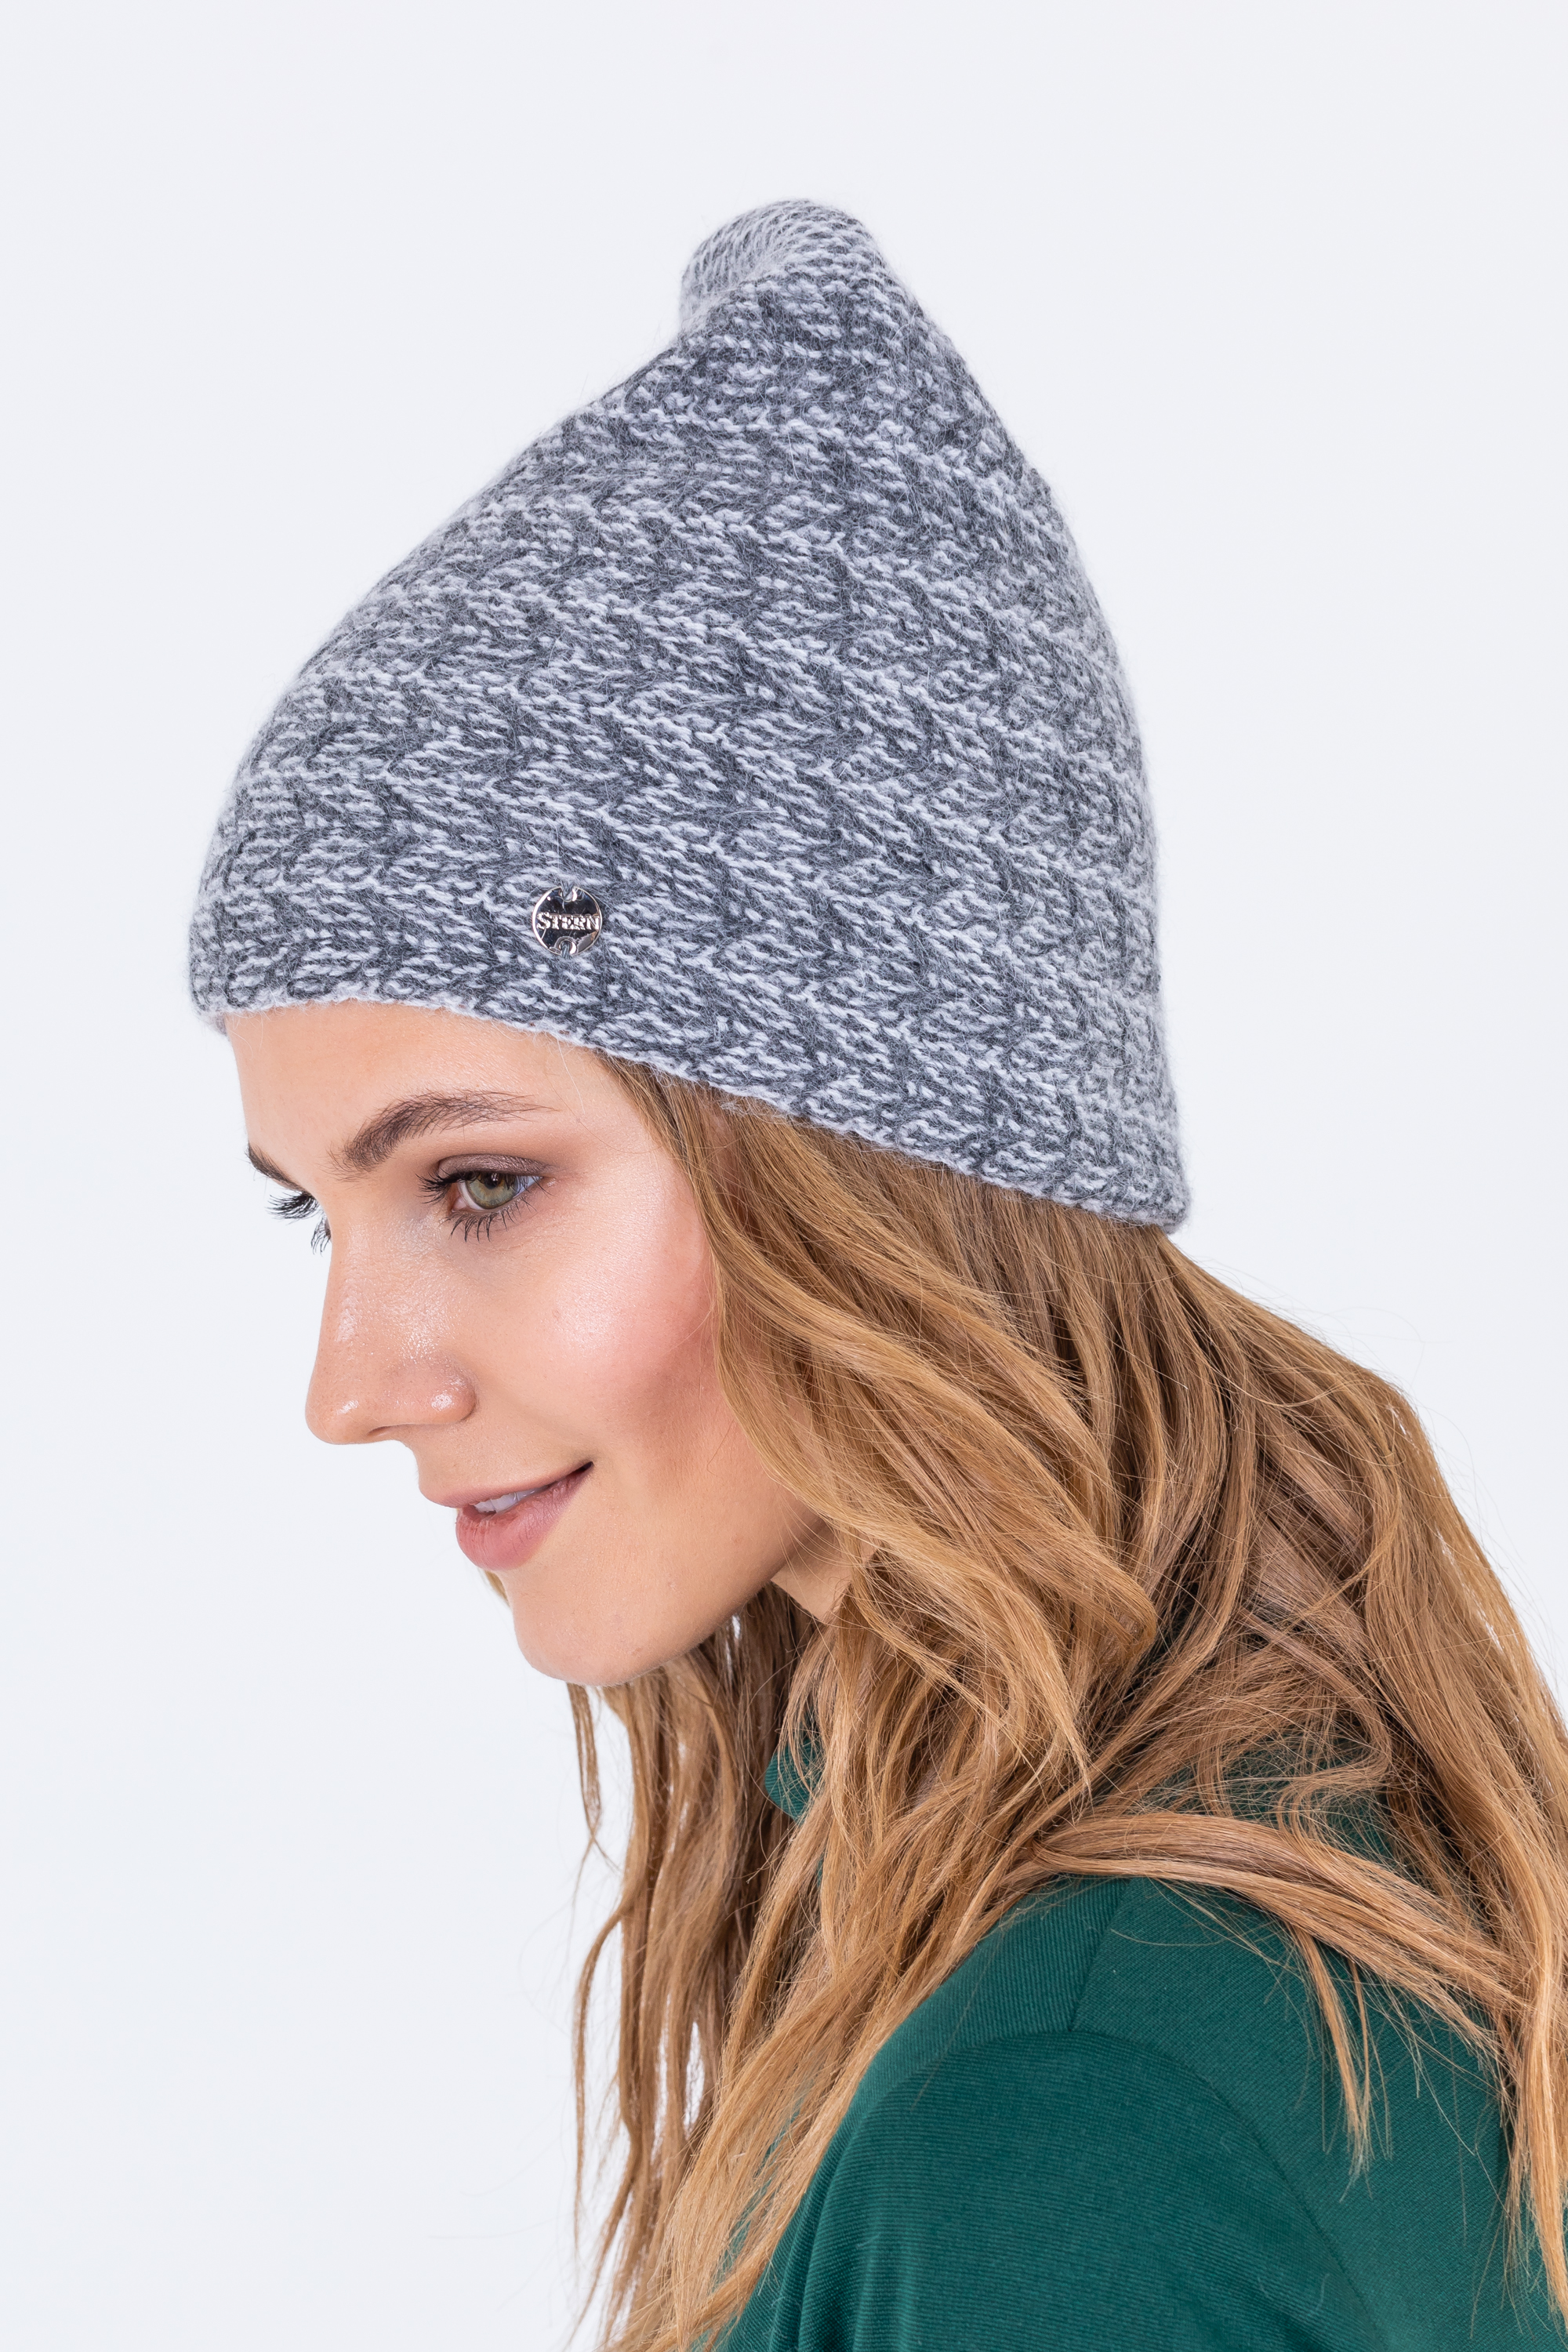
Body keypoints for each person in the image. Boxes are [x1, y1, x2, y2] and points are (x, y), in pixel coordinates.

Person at [190, 201, 1568, 2350]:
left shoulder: (1066, 2120)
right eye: (314, 1209)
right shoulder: (1201, 1859)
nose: (350, 1386)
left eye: (477, 1185)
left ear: (878, 1164)